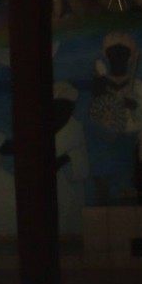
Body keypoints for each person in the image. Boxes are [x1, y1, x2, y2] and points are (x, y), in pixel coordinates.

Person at [52, 81, 89, 235]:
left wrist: (66, 158)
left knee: (71, 226)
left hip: (70, 189)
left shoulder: (76, 128)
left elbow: (83, 164)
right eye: (61, 104)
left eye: (69, 105)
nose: (65, 109)